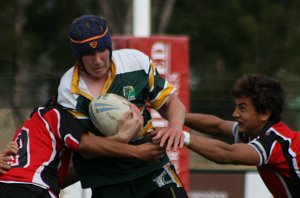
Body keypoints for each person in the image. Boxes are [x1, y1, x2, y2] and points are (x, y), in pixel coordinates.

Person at [57, 15, 188, 197]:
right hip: (108, 179)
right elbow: (86, 148)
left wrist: (174, 127)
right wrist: (133, 148)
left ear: (110, 46)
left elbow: (171, 102)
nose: (97, 60)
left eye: (102, 50)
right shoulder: (69, 89)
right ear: (77, 56)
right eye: (88, 54)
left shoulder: (134, 62)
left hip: (153, 166)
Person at [0, 101, 165, 198]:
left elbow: (58, 179)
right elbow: (88, 146)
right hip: (30, 190)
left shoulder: (34, 132)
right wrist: (132, 146)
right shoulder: (57, 114)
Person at [180, 74, 300, 197]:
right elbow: (216, 125)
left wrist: (181, 136)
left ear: (264, 113)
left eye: (242, 108)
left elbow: (227, 154)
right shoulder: (255, 130)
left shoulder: (276, 142)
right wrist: (174, 116)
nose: (235, 114)